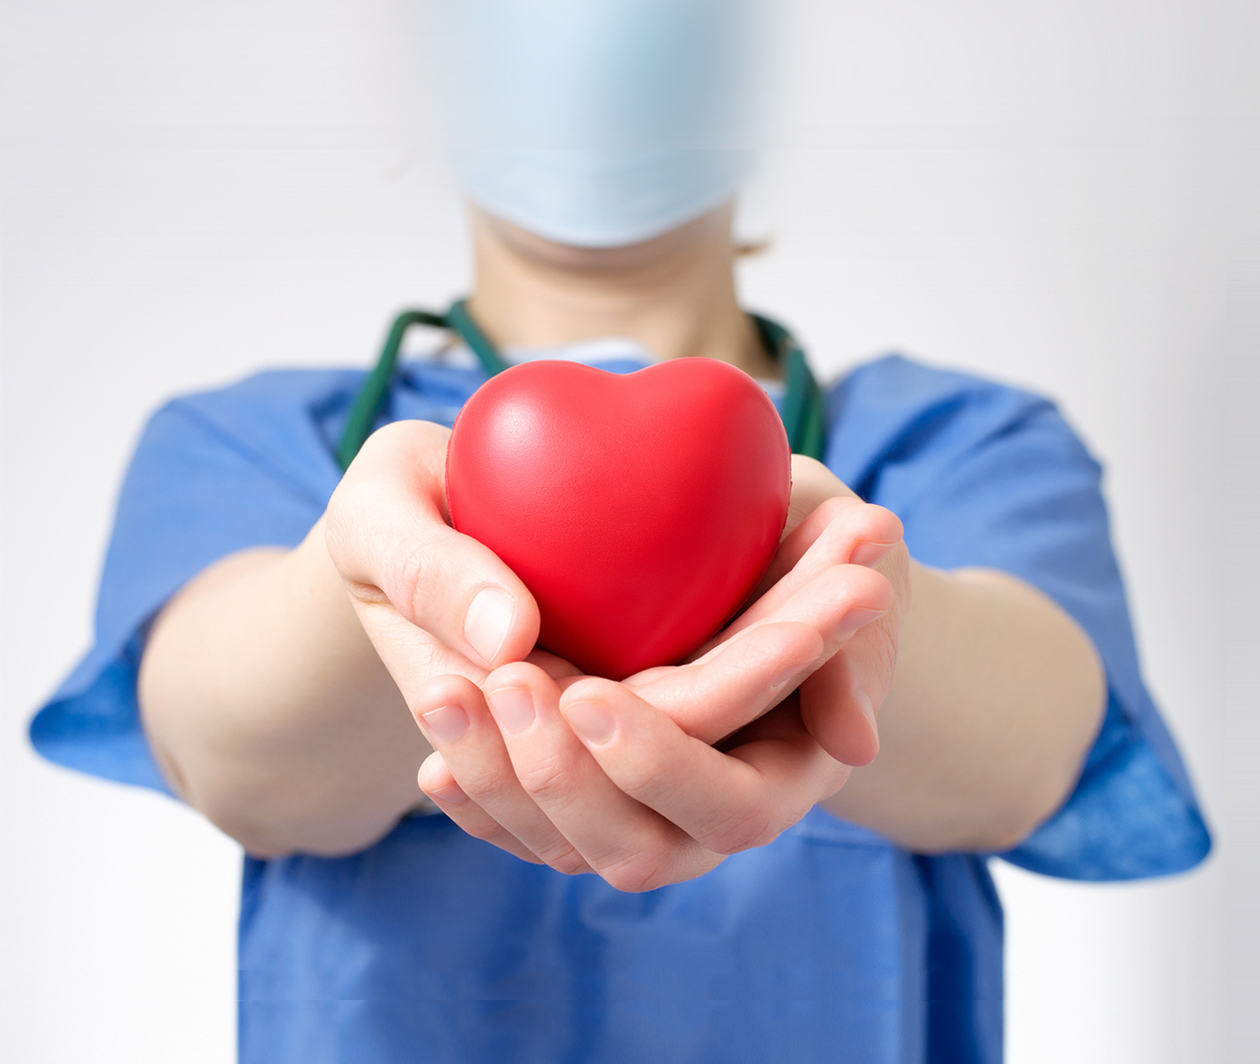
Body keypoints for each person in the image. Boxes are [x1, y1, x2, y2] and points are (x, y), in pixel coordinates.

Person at [29, 2, 1210, 1061]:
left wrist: (854, 600)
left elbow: (1028, 756)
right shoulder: (254, 441)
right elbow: (236, 759)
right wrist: (373, 583)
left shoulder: (963, 441)